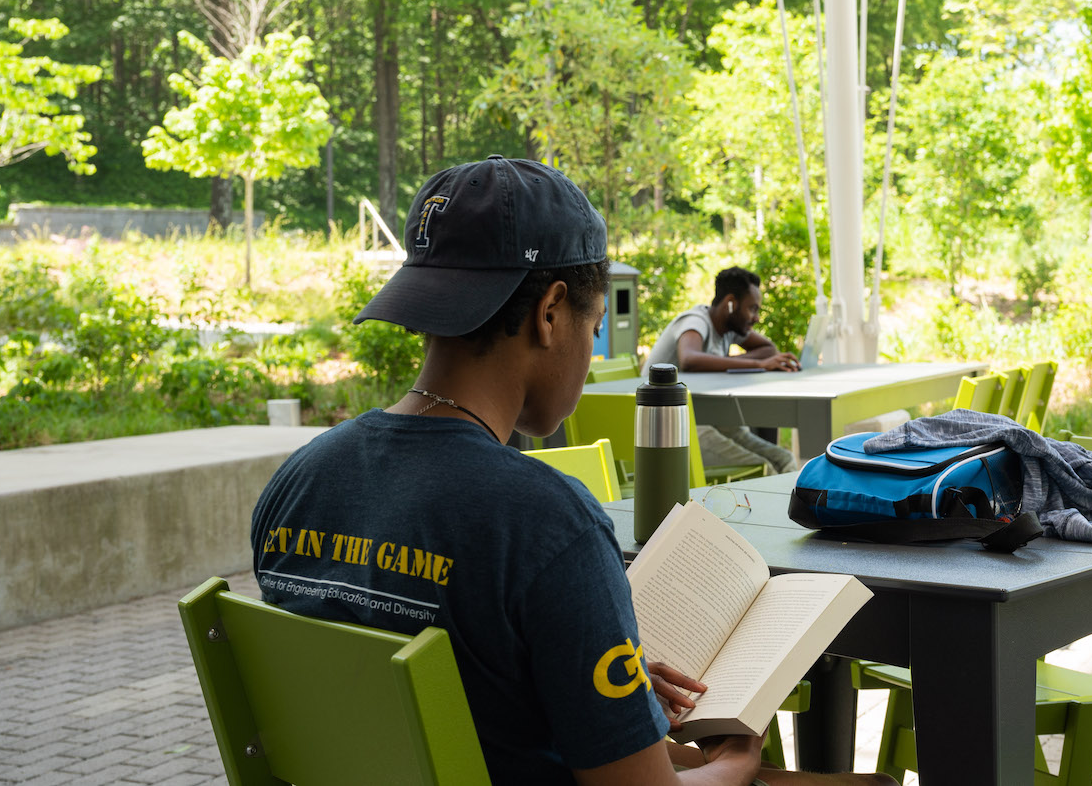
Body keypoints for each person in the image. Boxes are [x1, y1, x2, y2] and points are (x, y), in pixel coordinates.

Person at [250, 157, 890, 786]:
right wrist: (733, 763)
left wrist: (598, 676)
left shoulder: (298, 482)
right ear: (551, 313)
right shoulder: (547, 522)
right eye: (597, 325)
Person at [644, 267, 797, 474]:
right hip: (669, 428)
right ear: (731, 303)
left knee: (785, 459)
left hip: (707, 417)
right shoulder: (696, 321)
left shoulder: (728, 330)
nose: (756, 318)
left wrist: (726, 361)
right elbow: (689, 359)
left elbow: (768, 349)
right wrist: (758, 365)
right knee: (764, 469)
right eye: (752, 309)